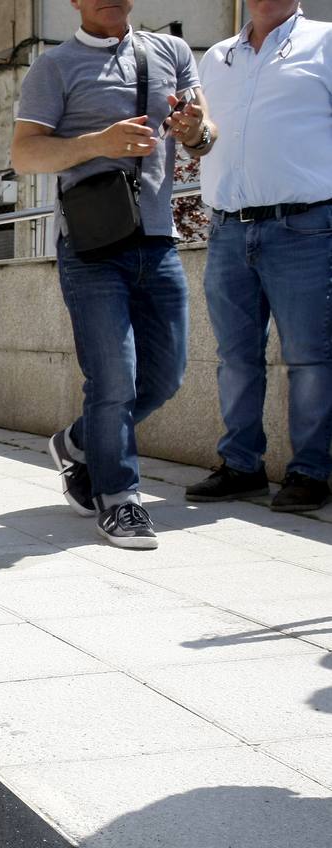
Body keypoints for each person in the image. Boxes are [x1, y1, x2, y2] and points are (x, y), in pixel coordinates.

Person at [11, 0, 214, 549]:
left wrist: (195, 131)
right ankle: (120, 501)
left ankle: (78, 442)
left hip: (158, 237)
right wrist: (98, 143)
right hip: (92, 244)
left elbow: (203, 136)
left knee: (166, 375)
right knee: (113, 378)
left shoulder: (170, 51)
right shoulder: (53, 66)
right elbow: (25, 154)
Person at [184, 1, 332, 513]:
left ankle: (311, 472)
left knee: (311, 357)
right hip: (227, 227)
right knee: (235, 358)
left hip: (307, 225)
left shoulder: (325, 41)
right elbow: (203, 142)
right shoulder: (217, 58)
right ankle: (241, 466)